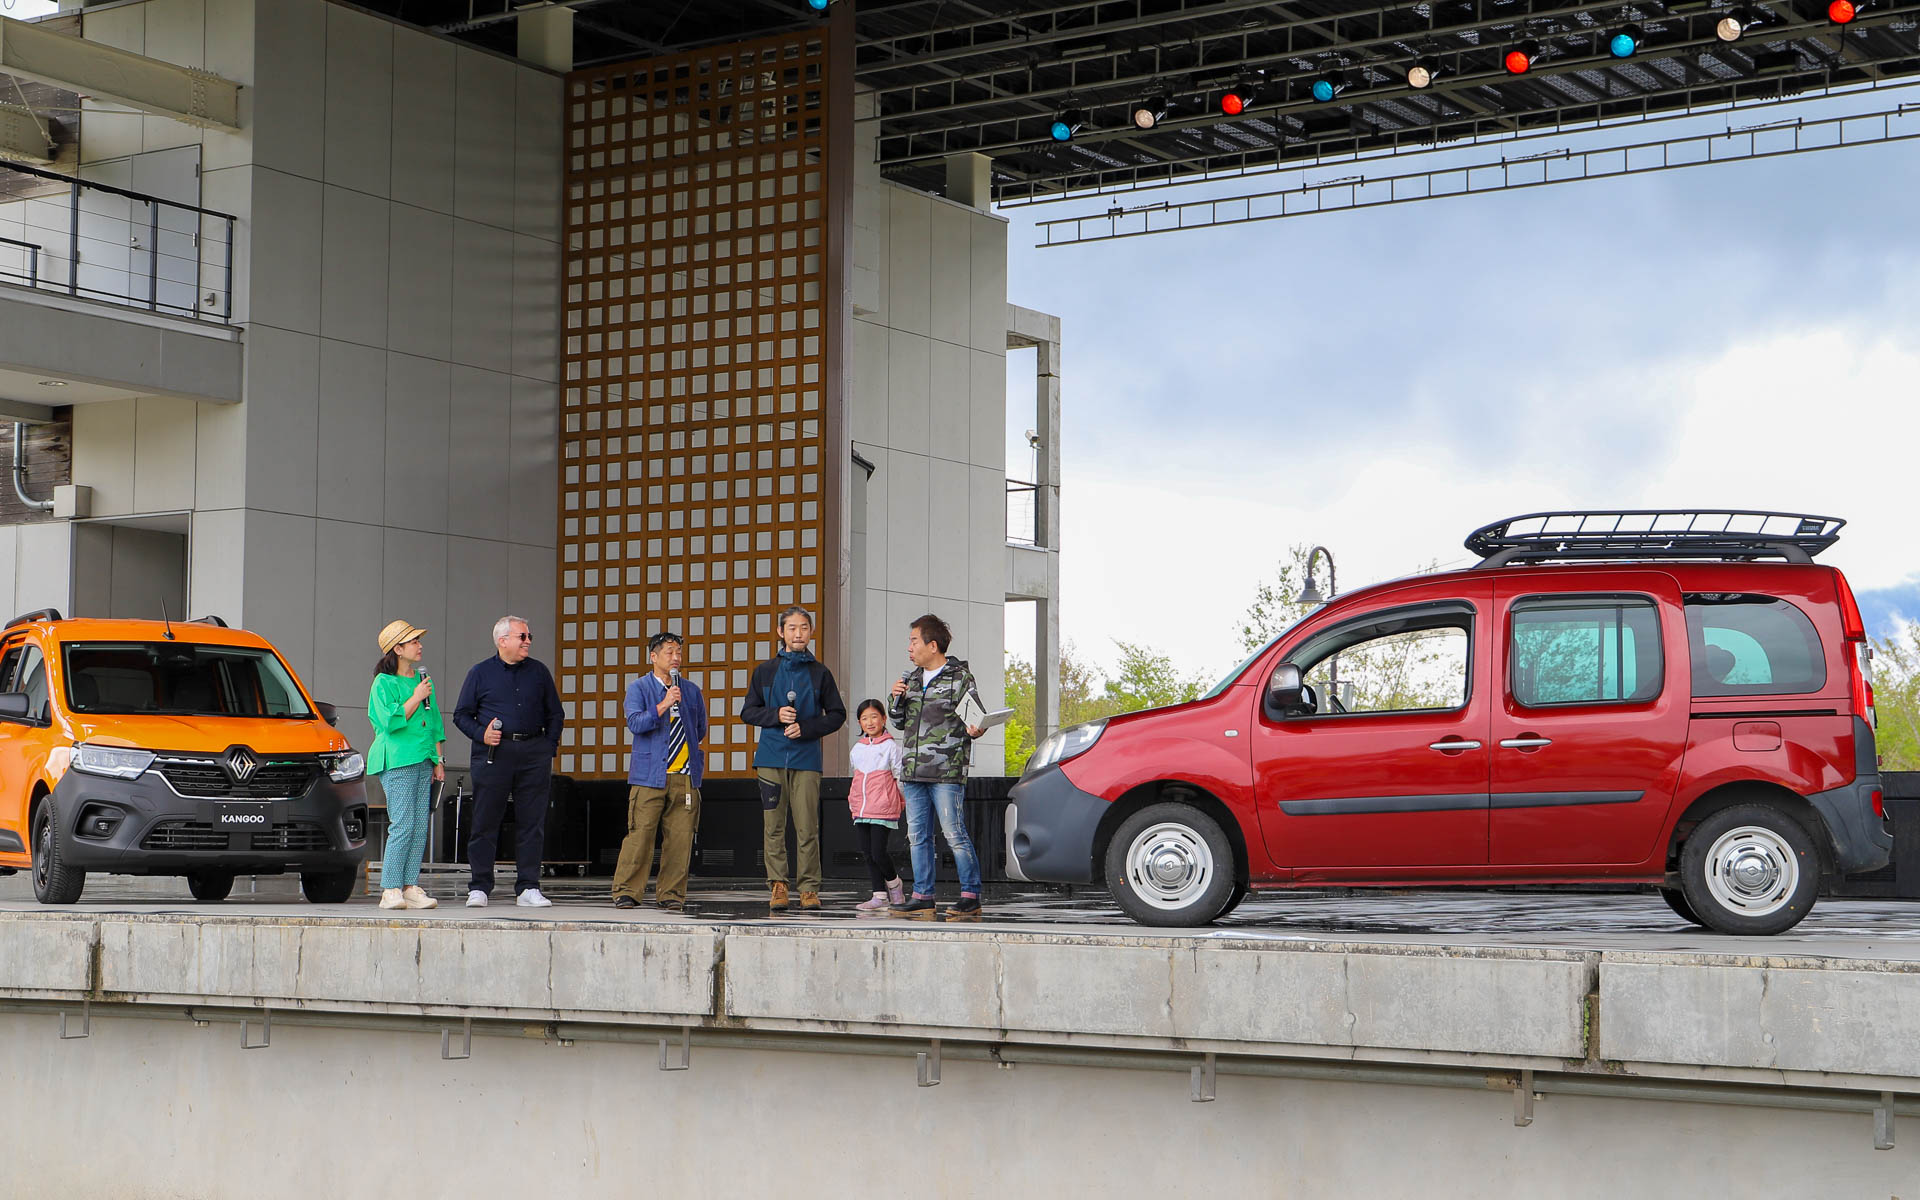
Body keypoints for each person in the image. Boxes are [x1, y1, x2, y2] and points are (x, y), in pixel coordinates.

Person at [451, 615, 565, 908]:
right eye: (522, 636)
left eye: (528, 636)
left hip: (533, 753)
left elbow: (555, 713)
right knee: (485, 821)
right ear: (503, 641)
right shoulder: (480, 673)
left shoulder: (539, 672)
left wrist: (547, 748)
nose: (528, 641)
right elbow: (461, 715)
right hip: (493, 755)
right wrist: (482, 733)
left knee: (532, 822)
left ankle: (528, 886)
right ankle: (479, 887)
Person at [739, 605, 846, 910]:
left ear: (810, 632)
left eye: (803, 628)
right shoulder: (765, 671)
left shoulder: (820, 673)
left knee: (807, 826)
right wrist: (775, 714)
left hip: (807, 760)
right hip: (770, 759)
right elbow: (747, 711)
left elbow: (837, 715)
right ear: (780, 632)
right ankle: (778, 885)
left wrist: (807, 727)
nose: (798, 634)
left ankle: (809, 888)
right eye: (792, 628)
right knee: (773, 826)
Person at [888, 614, 988, 921]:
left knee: (954, 833)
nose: (910, 647)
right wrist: (895, 700)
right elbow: (899, 723)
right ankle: (922, 896)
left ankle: (970, 896)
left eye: (914, 641)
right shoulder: (912, 678)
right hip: (913, 771)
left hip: (946, 772)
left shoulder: (959, 678)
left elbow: (976, 718)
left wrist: (977, 729)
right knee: (917, 836)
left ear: (933, 645)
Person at [612, 632, 707, 911]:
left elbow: (700, 728)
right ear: (653, 657)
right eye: (669, 652)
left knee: (680, 838)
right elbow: (636, 723)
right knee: (640, 834)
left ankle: (671, 894)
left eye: (678, 652)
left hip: (685, 774)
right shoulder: (639, 688)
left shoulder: (690, 690)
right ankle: (627, 891)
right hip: (649, 774)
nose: (676, 658)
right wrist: (664, 704)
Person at [367, 620, 445, 911]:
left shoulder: (424, 681)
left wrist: (438, 759)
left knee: (419, 824)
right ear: (397, 649)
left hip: (423, 757)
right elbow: (389, 721)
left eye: (418, 640)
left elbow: (434, 723)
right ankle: (390, 888)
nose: (419, 645)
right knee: (402, 823)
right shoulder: (383, 683)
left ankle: (410, 885)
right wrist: (416, 697)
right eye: (413, 641)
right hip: (397, 759)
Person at [847, 699, 907, 915]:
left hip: (883, 807)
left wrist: (902, 801)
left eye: (874, 716)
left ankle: (894, 884)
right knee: (867, 853)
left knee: (878, 852)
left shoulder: (891, 747)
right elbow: (856, 777)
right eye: (864, 718)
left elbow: (899, 777)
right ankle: (879, 895)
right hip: (861, 808)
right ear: (859, 723)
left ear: (883, 719)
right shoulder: (857, 749)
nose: (870, 722)